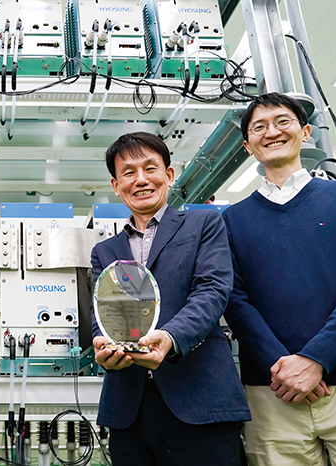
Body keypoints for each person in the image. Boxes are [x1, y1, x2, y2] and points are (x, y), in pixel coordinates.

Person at [223, 92, 336, 465]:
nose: (272, 132)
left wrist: (316, 359)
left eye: (282, 121)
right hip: (272, 393)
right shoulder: (231, 220)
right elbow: (234, 300)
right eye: (259, 127)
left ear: (305, 132)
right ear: (248, 146)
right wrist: (282, 366)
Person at [91, 132, 250, 466]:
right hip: (129, 409)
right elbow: (102, 313)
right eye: (129, 173)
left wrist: (170, 337)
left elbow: (212, 290)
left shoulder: (204, 224)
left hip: (199, 399)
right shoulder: (105, 251)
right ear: (116, 185)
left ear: (169, 174)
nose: (141, 180)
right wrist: (102, 346)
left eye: (150, 168)